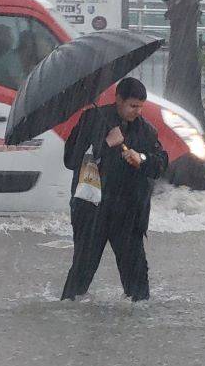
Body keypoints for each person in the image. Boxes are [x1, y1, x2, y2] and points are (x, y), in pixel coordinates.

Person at [61, 78, 168, 302]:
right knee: (81, 274)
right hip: (92, 211)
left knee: (138, 285)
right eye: (132, 106)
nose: (137, 112)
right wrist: (104, 144)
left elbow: (160, 164)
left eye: (141, 106)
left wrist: (142, 158)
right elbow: (71, 159)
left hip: (129, 214)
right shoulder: (91, 119)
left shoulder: (146, 131)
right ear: (118, 100)